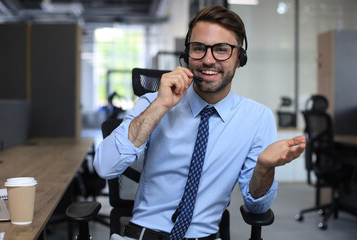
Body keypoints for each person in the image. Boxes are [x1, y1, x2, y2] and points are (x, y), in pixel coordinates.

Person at [94, 5, 306, 240]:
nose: (208, 59)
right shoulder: (152, 103)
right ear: (186, 55)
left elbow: (257, 207)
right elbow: (105, 167)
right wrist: (159, 107)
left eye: (222, 49)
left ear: (240, 59)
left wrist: (265, 168)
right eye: (198, 48)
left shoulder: (257, 118)